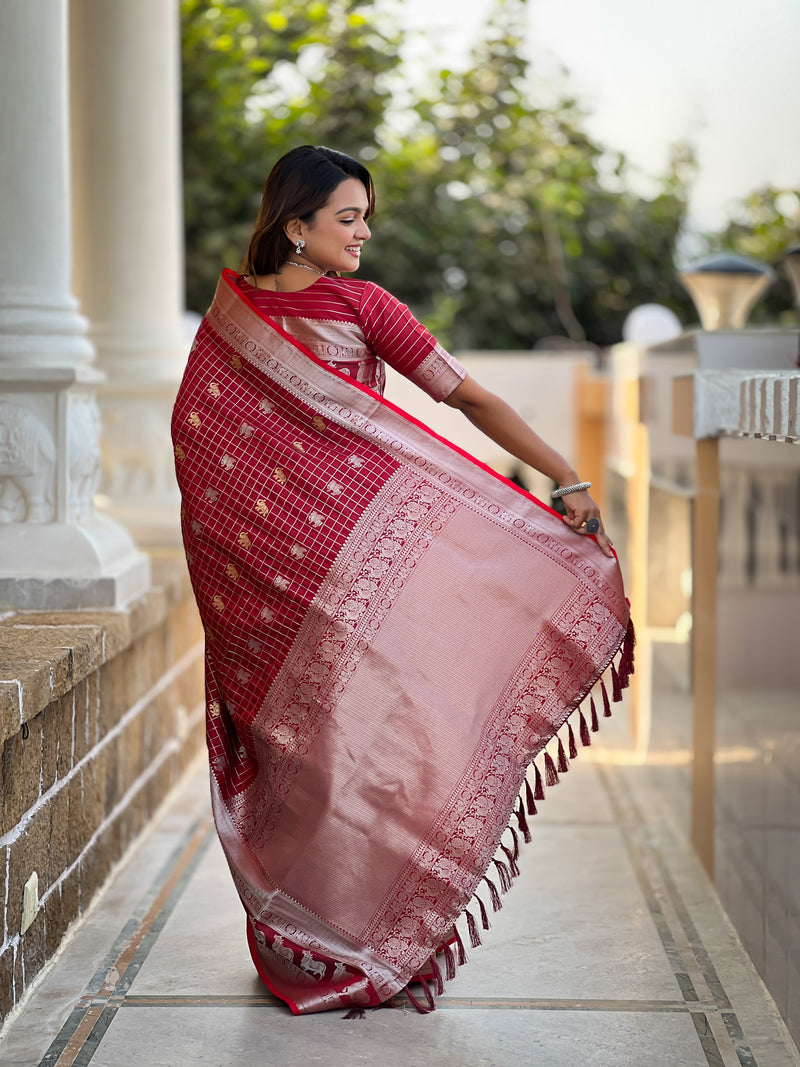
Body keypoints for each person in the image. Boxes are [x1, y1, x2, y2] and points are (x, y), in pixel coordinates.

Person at [172, 145, 633, 1017]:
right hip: (317, 568)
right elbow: (467, 398)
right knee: (335, 741)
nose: (364, 234)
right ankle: (335, 935)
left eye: (365, 217)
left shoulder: (267, 313)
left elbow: (196, 443)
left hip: (315, 566)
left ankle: (344, 936)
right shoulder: (300, 312)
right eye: (348, 218)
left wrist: (558, 476)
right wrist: (566, 475)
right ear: (296, 227)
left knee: (332, 743)